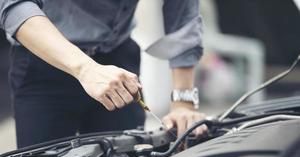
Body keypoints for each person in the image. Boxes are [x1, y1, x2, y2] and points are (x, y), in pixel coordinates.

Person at [0, 0, 207, 148]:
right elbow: (15, 5)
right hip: (46, 59)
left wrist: (183, 103)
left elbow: (182, 11)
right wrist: (86, 69)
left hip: (119, 60)